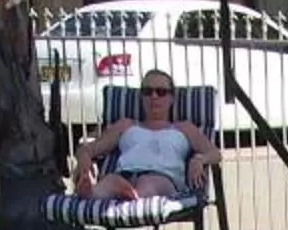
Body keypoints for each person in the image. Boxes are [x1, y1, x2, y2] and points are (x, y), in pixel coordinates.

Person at [74, 74, 218, 204]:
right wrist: (84, 158)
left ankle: (134, 196)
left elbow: (214, 153)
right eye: (147, 92)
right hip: (124, 175)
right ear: (141, 97)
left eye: (161, 92)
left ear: (172, 98)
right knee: (111, 180)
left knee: (148, 183)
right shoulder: (125, 125)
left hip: (164, 179)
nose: (153, 97)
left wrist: (199, 160)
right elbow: (90, 149)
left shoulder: (184, 128)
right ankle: (92, 193)